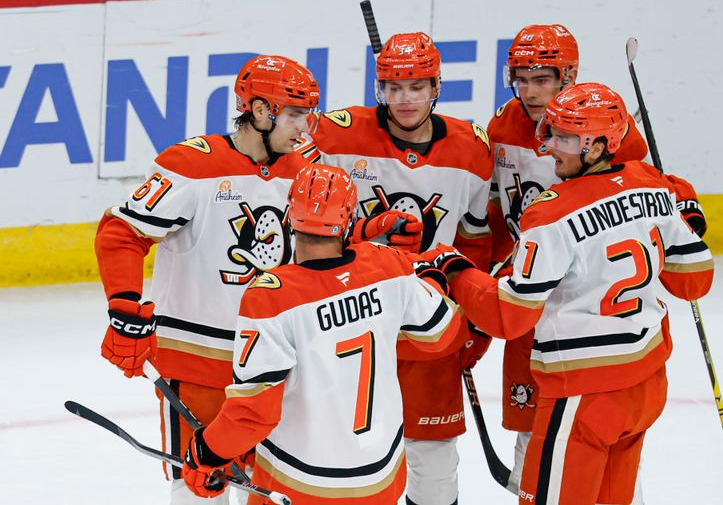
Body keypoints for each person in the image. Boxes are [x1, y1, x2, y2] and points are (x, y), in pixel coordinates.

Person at [429, 82, 714, 505]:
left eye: (564, 138)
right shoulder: (652, 185)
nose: (549, 147)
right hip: (646, 385)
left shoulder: (550, 212)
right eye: (550, 132)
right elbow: (694, 281)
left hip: (584, 393)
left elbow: (511, 316)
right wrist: (682, 221)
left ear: (599, 145)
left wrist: (456, 270)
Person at [487, 24, 707, 492]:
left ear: (567, 76)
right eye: (520, 78)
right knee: (534, 437)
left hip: (584, 307)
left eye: (541, 78)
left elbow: (646, 186)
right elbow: (498, 204)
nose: (529, 91)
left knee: (600, 448)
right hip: (530, 295)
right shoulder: (502, 125)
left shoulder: (605, 129)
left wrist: (685, 200)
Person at [94, 55, 322, 504]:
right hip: (198, 366)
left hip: (277, 366)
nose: (305, 127)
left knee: (272, 490)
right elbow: (122, 232)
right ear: (260, 111)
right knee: (200, 494)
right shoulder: (191, 166)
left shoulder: (304, 171)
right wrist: (124, 307)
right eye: (295, 114)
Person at [179, 163, 462, 505]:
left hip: (299, 483)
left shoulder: (270, 297)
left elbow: (254, 414)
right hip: (381, 478)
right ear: (347, 221)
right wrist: (431, 277)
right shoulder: (387, 266)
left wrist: (206, 452)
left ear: (289, 216)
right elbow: (441, 333)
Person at [298, 32, 494, 504]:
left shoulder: (471, 149)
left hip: (428, 319)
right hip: (351, 314)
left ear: (436, 88)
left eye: (417, 87)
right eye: (393, 87)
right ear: (379, 88)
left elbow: (476, 240)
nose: (405, 99)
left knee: (434, 459)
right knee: (344, 455)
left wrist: (476, 316)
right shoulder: (337, 135)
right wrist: (366, 231)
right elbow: (297, 215)